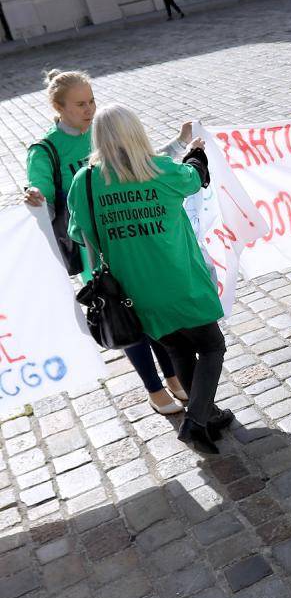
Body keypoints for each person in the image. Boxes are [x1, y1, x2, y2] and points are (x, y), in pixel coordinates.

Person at [21, 70, 188, 417]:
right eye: (80, 104)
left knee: (151, 311)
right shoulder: (46, 150)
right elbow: (45, 201)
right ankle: (154, 390)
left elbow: (144, 167)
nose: (89, 108)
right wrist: (35, 197)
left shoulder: (102, 134)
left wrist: (180, 143)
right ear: (58, 106)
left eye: (92, 100)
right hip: (94, 253)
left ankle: (172, 376)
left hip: (133, 243)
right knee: (125, 319)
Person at [66, 105, 230, 455]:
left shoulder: (87, 181)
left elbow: (79, 234)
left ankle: (209, 415)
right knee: (212, 346)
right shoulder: (160, 170)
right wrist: (197, 153)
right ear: (136, 133)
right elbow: (195, 177)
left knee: (178, 349)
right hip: (181, 282)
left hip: (134, 293)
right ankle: (196, 420)